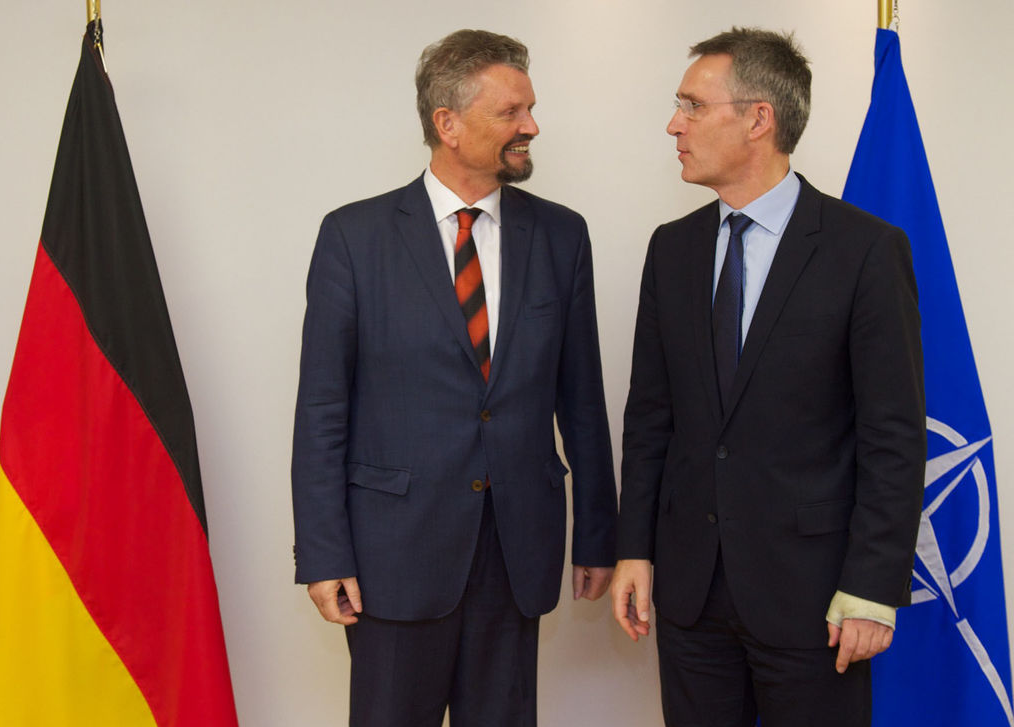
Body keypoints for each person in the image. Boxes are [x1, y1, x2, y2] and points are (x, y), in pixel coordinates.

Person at [291, 28, 617, 727]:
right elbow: (322, 407)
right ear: (448, 124)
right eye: (511, 113)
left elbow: (582, 399)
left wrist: (597, 531)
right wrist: (322, 552)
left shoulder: (562, 237)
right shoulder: (354, 237)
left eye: (530, 109)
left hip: (517, 548)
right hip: (392, 554)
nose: (531, 127)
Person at [610, 27, 926, 726]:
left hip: (816, 599)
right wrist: (634, 547)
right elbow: (651, 416)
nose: (674, 124)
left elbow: (894, 435)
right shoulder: (672, 250)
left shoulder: (866, 251)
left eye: (692, 105)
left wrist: (873, 586)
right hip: (692, 595)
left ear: (760, 119)